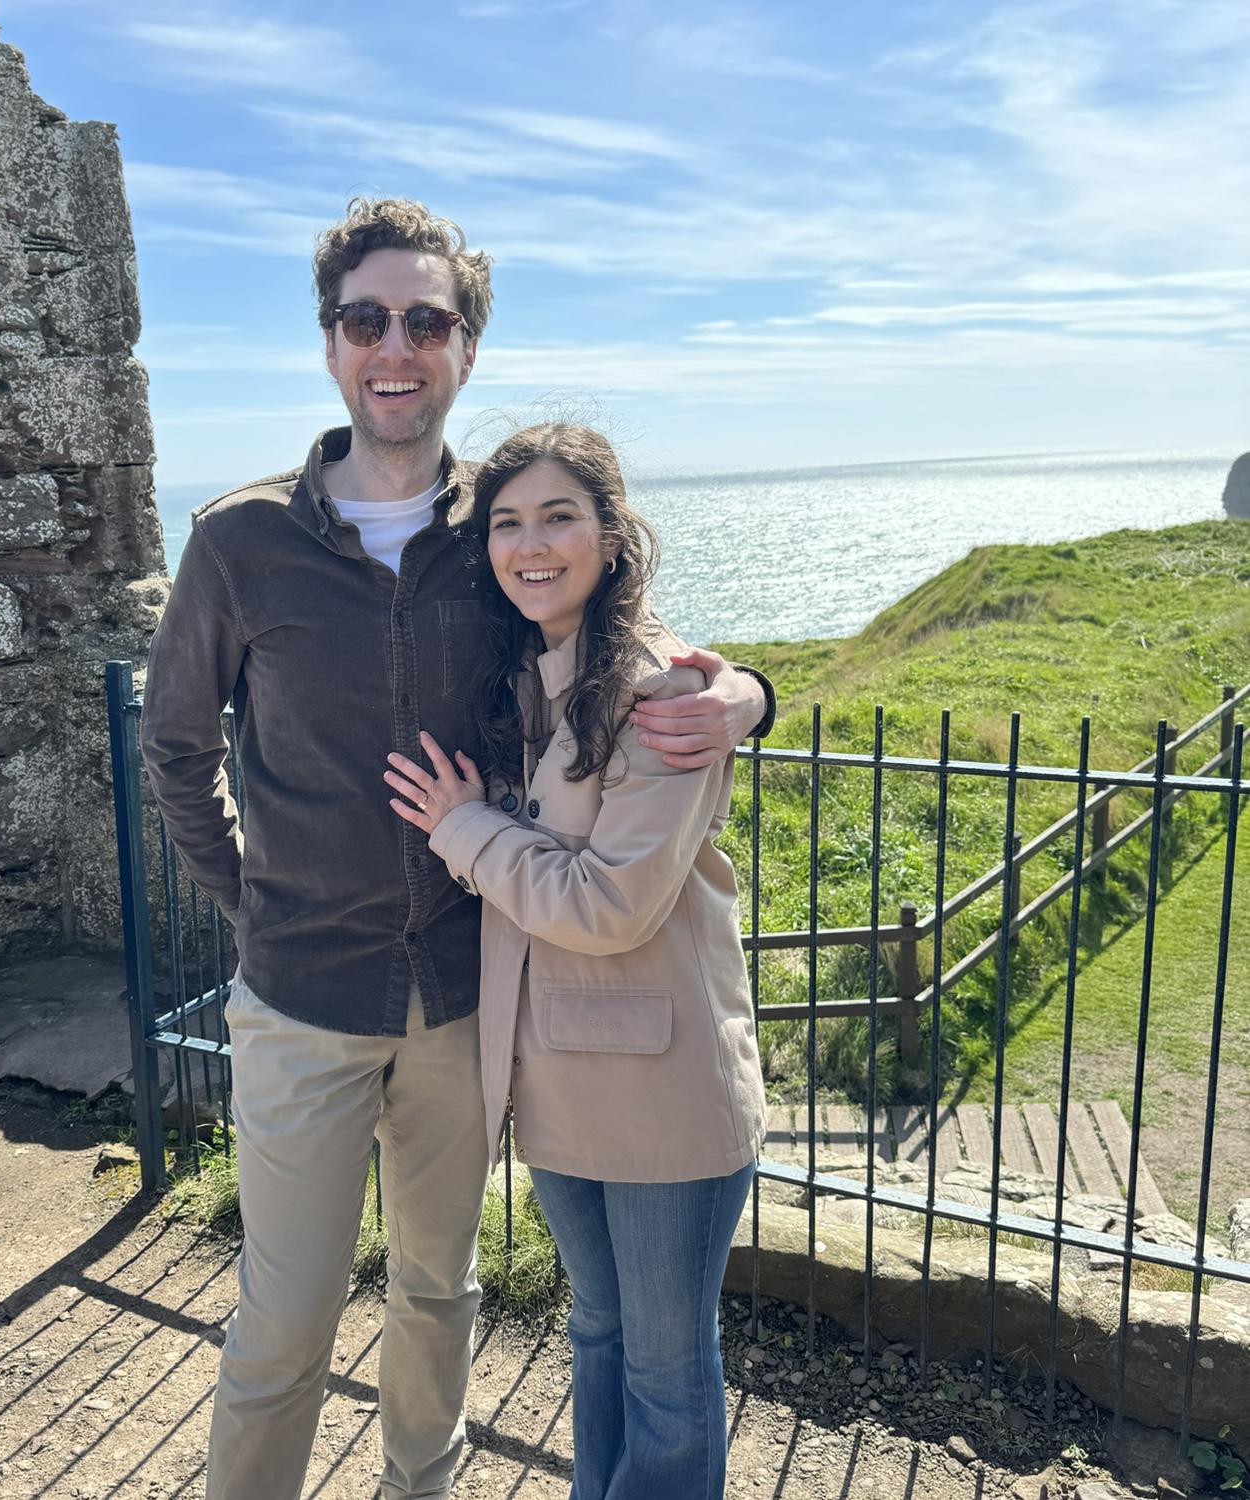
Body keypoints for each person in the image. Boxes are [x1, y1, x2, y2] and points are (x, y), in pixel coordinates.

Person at [139, 199, 771, 1500]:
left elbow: (631, 637)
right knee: (284, 1322)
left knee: (440, 1294)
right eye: (367, 318)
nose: (396, 345)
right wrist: (251, 904)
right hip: (302, 1001)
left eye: (427, 320)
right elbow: (173, 749)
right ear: (330, 345)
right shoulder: (237, 541)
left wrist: (750, 688)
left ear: (465, 348)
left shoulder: (502, 528)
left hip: (464, 1006)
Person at [386, 423, 771, 1500]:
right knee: (596, 1333)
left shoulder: (658, 694)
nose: (530, 543)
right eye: (507, 522)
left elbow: (610, 906)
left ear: (609, 534)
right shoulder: (526, 679)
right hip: (553, 1083)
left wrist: (462, 832)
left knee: (663, 1366)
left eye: (559, 516)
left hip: (663, 1095)